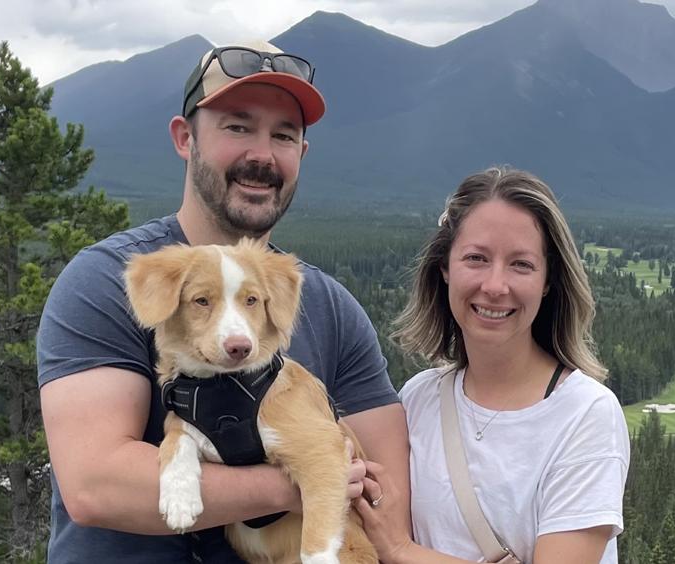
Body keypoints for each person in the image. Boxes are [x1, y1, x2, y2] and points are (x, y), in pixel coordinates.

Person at [36, 40, 410, 563]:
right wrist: (301, 478)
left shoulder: (333, 309)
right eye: (238, 126)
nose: (262, 154)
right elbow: (96, 486)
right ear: (184, 138)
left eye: (284, 135)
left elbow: (387, 506)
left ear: (300, 155)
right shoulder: (104, 283)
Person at [353, 167, 629, 563]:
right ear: (445, 268)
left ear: (548, 281)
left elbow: (393, 541)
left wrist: (399, 550)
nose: (496, 286)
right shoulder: (417, 399)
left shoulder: (585, 414)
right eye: (476, 258)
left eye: (521, 264)